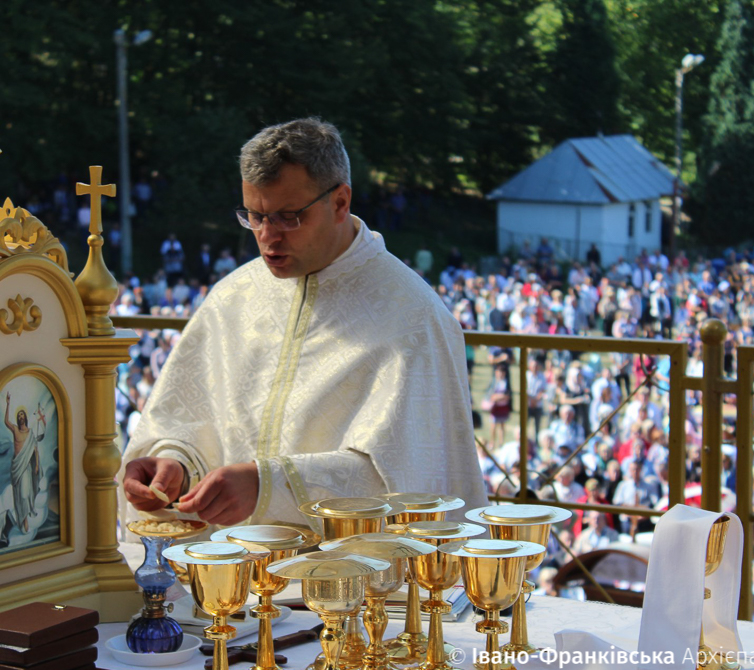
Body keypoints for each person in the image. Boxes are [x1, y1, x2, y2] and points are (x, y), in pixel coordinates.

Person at [121, 118, 488, 527]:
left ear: (340, 202)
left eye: (287, 217)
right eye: (254, 216)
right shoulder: (232, 299)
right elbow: (192, 421)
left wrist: (269, 486)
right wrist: (175, 465)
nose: (267, 236)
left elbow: (411, 480)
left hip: (349, 564)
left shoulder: (414, 317)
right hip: (230, 559)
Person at [3, 392, 46, 533]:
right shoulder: (15, 429)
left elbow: (35, 450)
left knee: (25, 494)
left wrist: (37, 465)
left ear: (25, 418)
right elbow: (6, 422)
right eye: (19, 415)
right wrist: (8, 404)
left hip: (26, 467)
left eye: (22, 415)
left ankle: (26, 516)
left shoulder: (30, 433)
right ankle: (23, 518)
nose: (21, 417)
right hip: (17, 467)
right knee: (19, 494)